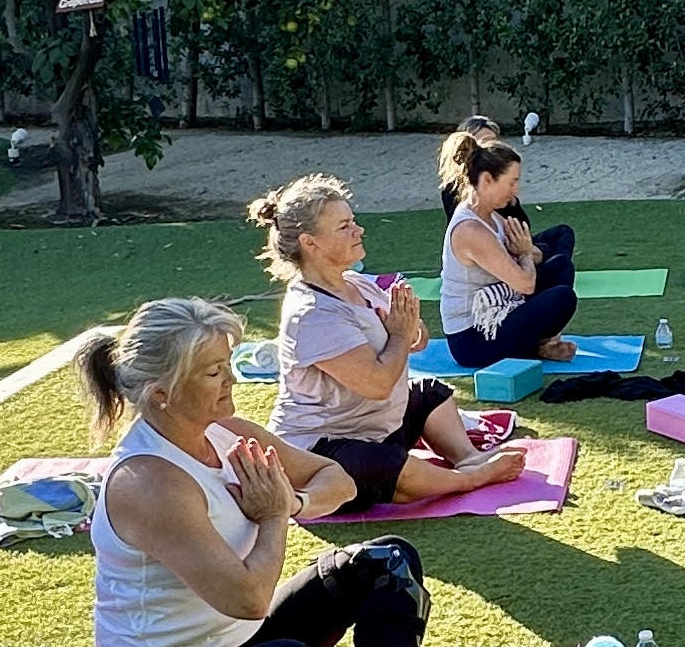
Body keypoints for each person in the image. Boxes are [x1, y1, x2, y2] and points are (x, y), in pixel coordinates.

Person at [84, 298, 453, 647]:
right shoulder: (149, 482)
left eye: (227, 364)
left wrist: (294, 502)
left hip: (239, 643)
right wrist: (274, 516)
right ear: (162, 394)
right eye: (213, 372)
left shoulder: (226, 433)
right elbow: (248, 600)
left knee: (386, 560)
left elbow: (337, 479)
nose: (231, 380)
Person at [248, 170, 529, 506]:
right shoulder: (311, 314)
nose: (358, 230)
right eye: (344, 226)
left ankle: (467, 456)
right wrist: (398, 333)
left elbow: (415, 341)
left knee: (428, 394)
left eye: (353, 221)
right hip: (321, 452)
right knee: (371, 465)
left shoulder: (358, 284)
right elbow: (378, 383)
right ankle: (469, 478)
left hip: (376, 427)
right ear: (311, 243)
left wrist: (410, 330)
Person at [439, 137, 580, 368]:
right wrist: (525, 254)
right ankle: (538, 346)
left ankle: (543, 344)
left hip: (502, 307)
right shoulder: (470, 230)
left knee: (561, 266)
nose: (516, 191)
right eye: (512, 182)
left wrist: (529, 252)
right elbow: (525, 284)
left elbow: (530, 257)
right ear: (487, 179)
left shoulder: (493, 217)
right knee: (562, 298)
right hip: (473, 339)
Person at [439, 116, 575, 293]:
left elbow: (522, 225)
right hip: (493, 251)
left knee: (561, 240)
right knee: (555, 274)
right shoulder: (465, 207)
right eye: (486, 142)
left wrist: (511, 203)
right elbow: (477, 237)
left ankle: (544, 274)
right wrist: (526, 253)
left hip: (511, 241)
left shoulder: (497, 195)